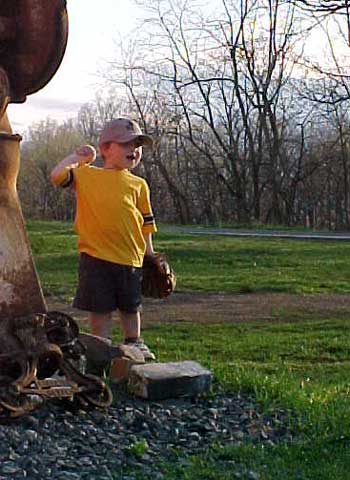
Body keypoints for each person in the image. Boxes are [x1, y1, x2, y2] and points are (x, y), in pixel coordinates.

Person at [50, 118, 157, 360]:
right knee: (100, 308)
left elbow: (146, 222)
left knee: (130, 306)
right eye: (126, 144)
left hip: (130, 257)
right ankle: (102, 347)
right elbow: (57, 175)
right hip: (95, 256)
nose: (134, 151)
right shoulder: (87, 175)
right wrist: (78, 157)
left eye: (137, 145)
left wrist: (149, 254)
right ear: (106, 149)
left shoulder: (139, 184)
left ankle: (135, 343)